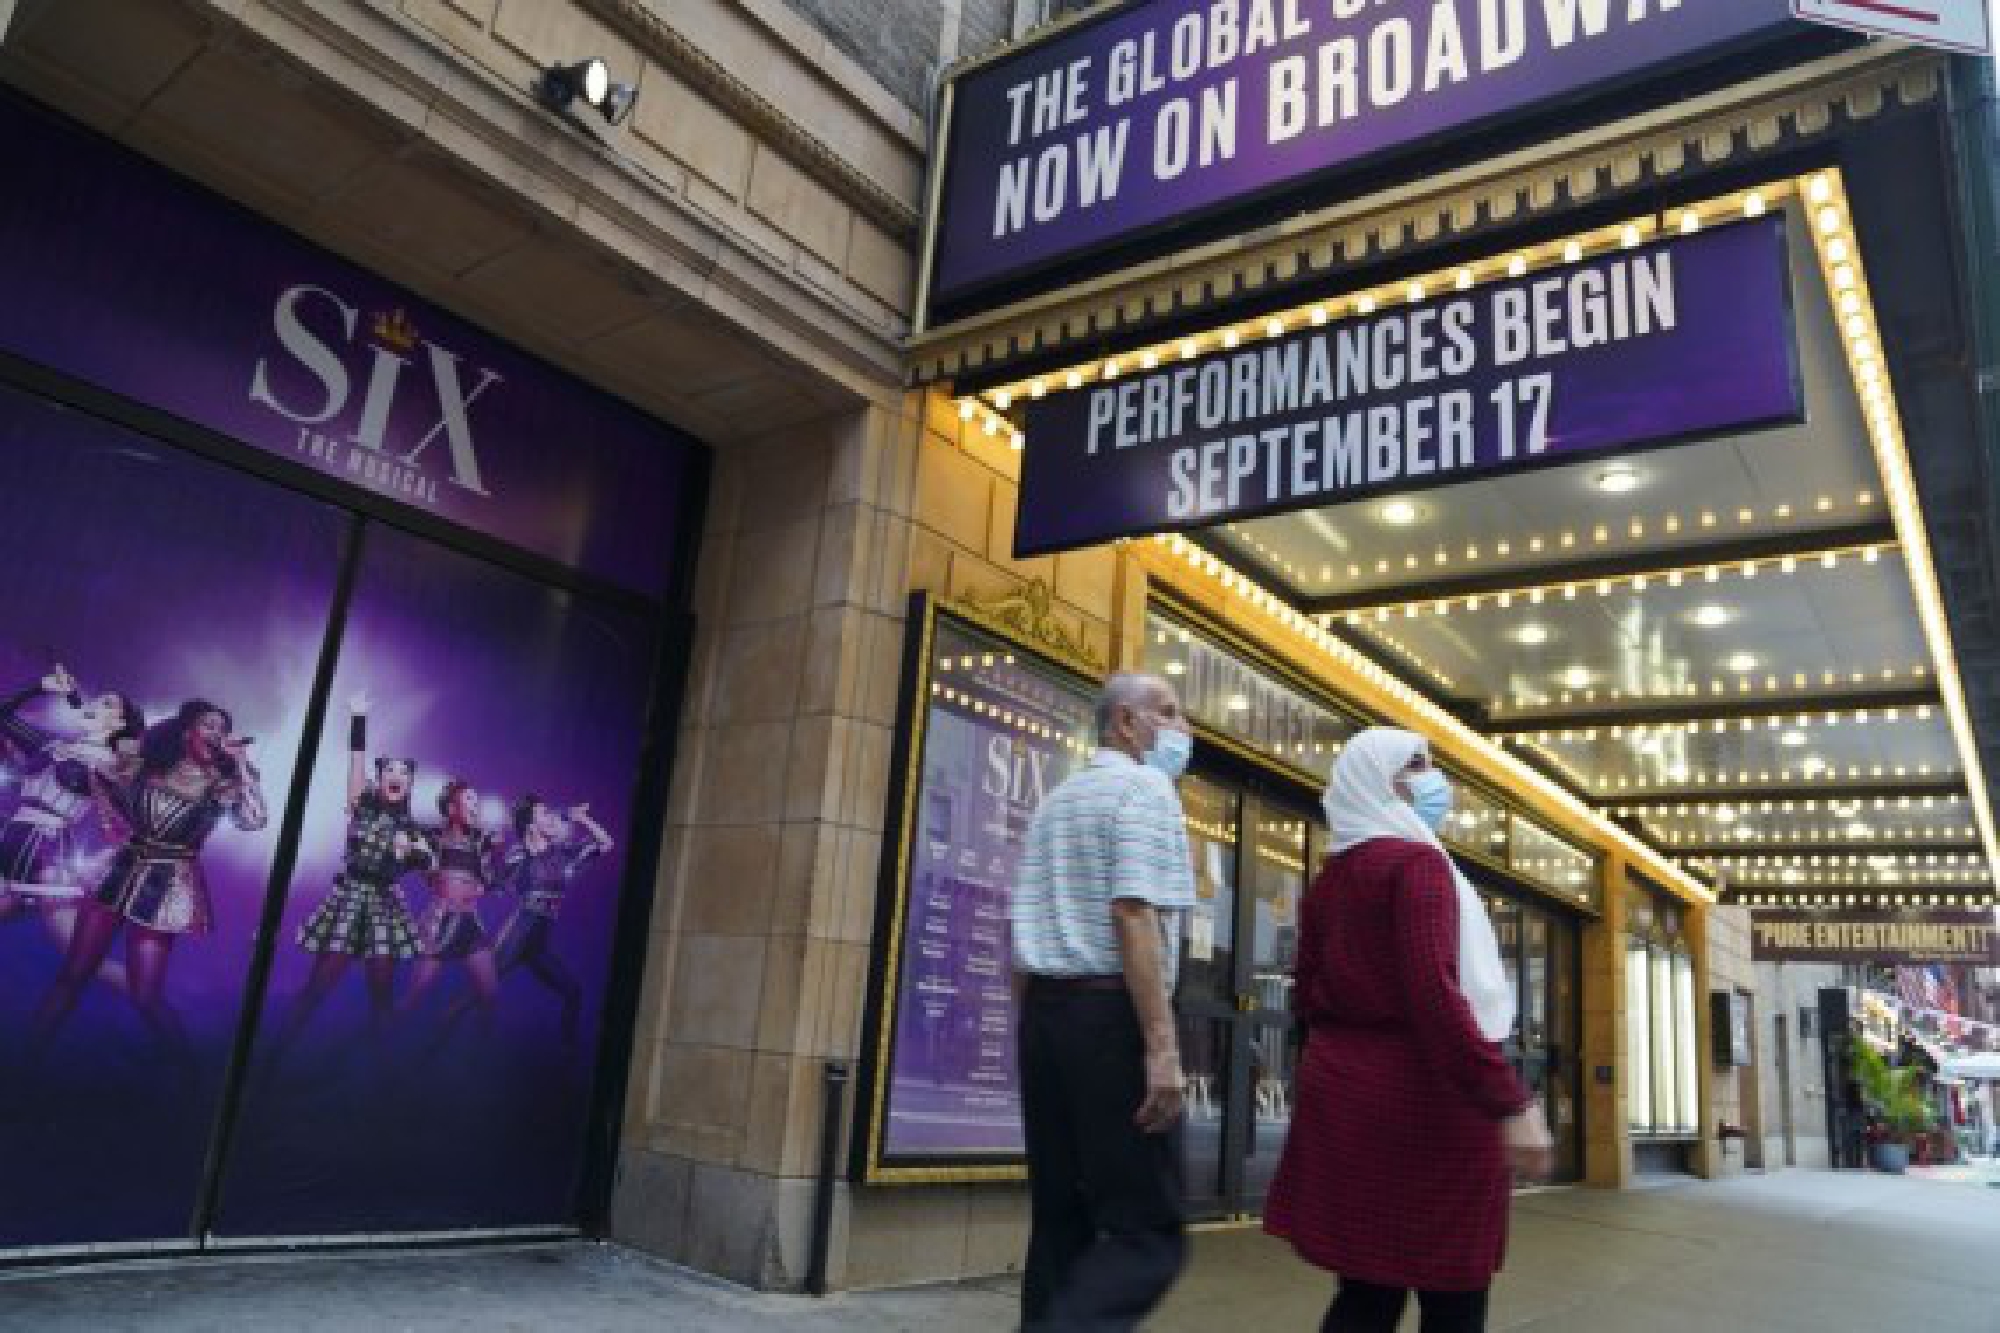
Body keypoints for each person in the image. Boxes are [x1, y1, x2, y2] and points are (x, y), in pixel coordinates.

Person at [1265, 728, 1553, 1333]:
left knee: (1366, 1291)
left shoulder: (1333, 877)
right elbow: (1435, 996)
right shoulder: (1418, 865)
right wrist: (1508, 1099)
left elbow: (1307, 993)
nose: (1432, 780)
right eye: (1416, 765)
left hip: (1347, 1097)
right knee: (1454, 1293)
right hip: (1428, 1105)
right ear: (1381, 781)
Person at [1009, 670, 1197, 1332]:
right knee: (1150, 1234)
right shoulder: (1146, 788)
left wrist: (1034, 1034)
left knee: (1060, 1223)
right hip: (1109, 1018)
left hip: (1046, 1019)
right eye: (1169, 713)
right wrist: (1162, 1047)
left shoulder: (1057, 800)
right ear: (1126, 722)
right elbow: (1133, 912)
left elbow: (1021, 937)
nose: (1183, 729)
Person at [31, 699, 266, 1067]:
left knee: (145, 996)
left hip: (168, 884)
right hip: (121, 869)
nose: (217, 733)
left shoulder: (223, 783)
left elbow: (254, 820)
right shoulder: (148, 764)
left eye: (222, 727)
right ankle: (20, 1066)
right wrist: (109, 817)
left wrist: (240, 767)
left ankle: (194, 1087)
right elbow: (100, 770)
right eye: (209, 725)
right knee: (73, 975)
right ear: (187, 730)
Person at [274, 693, 432, 1047]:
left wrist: (420, 854)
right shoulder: (361, 805)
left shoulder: (414, 828)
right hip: (350, 897)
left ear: (409, 784)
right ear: (379, 779)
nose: (396, 775)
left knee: (381, 999)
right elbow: (356, 761)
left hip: (385, 906)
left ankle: (384, 1081)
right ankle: (271, 1060)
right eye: (389, 769)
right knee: (315, 990)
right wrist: (359, 717)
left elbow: (432, 874)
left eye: (403, 772)